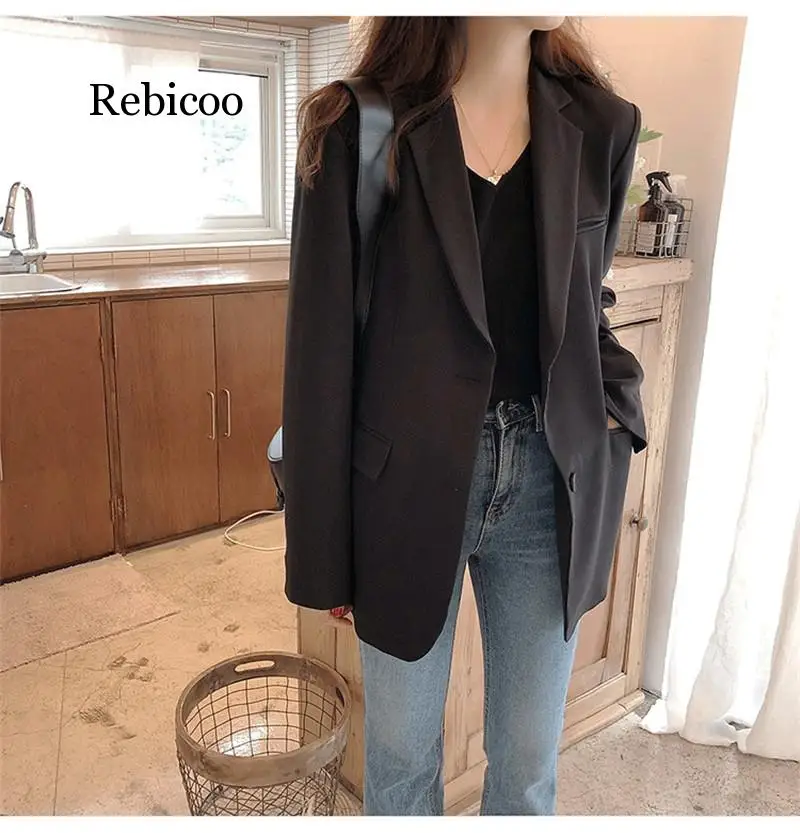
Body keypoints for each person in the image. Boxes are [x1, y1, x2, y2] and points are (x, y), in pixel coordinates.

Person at [281, 16, 647, 816]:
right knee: (402, 760)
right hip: (402, 486)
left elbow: (587, 300)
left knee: (528, 764)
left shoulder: (602, 125)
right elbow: (319, 356)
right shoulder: (356, 126)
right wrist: (325, 550)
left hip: (551, 480)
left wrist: (621, 411)